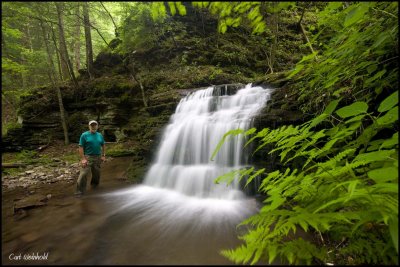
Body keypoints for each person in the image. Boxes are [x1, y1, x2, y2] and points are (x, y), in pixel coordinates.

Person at [75, 120, 106, 196]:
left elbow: (103, 145)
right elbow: (81, 147)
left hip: (98, 157)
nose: (93, 126)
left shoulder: (99, 135)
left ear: (97, 126)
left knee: (96, 173)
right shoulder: (84, 135)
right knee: (83, 174)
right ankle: (79, 192)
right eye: (92, 125)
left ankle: (94, 187)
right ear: (89, 126)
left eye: (95, 125)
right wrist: (83, 159)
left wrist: (103, 155)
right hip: (88, 157)